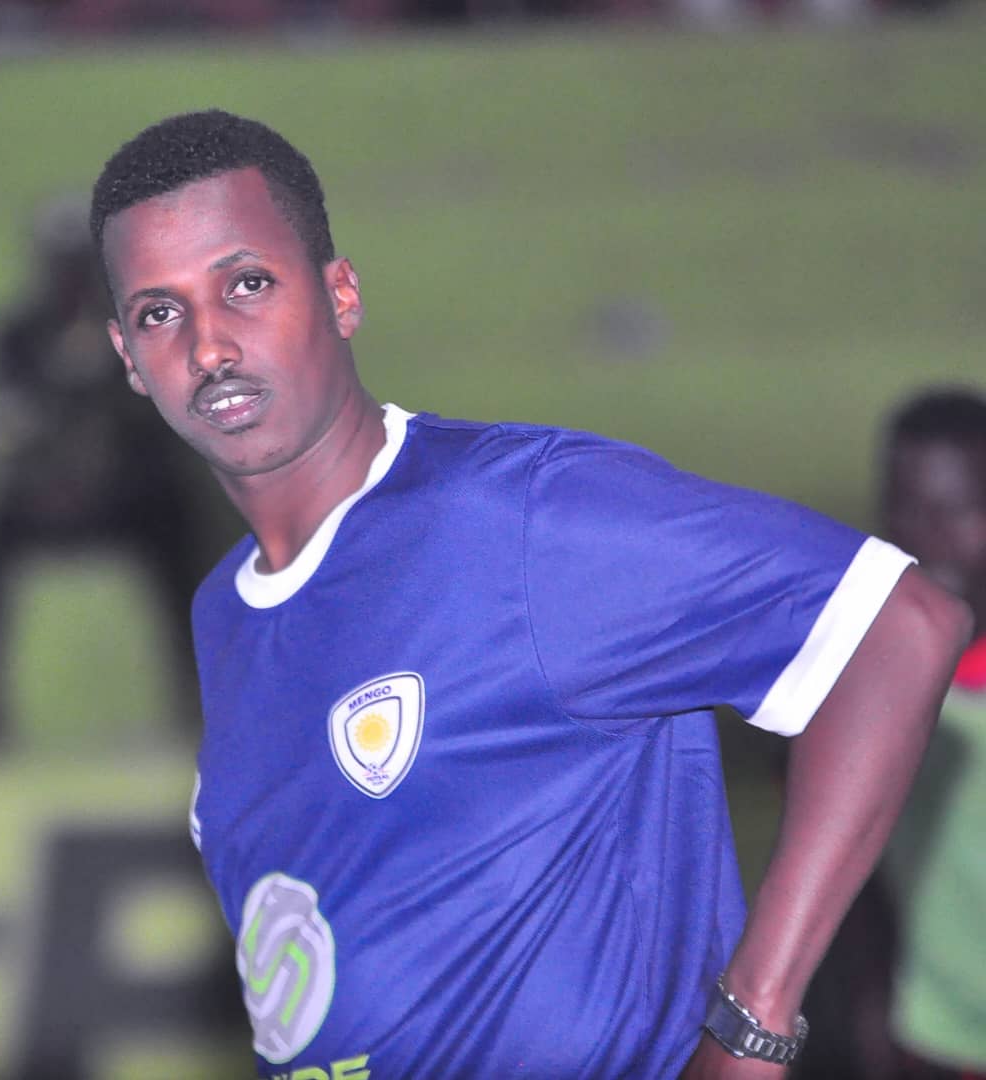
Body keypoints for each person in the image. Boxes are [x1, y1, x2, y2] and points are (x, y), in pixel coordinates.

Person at [87, 109, 969, 1078]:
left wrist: (752, 1025)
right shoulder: (225, 612)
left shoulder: (518, 512)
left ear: (340, 294)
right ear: (128, 357)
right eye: (160, 313)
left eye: (246, 284)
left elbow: (898, 625)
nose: (209, 346)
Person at [0, 194, 225, 749]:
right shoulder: (13, 337)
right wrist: (55, 406)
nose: (71, 279)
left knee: (185, 516)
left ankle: (203, 698)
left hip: (131, 499)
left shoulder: (143, 330)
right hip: (41, 498)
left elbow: (172, 424)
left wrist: (108, 391)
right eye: (62, 266)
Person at [879, 388, 986, 1080]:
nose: (928, 538)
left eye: (960, 512)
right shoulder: (865, 688)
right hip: (929, 1041)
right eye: (906, 510)